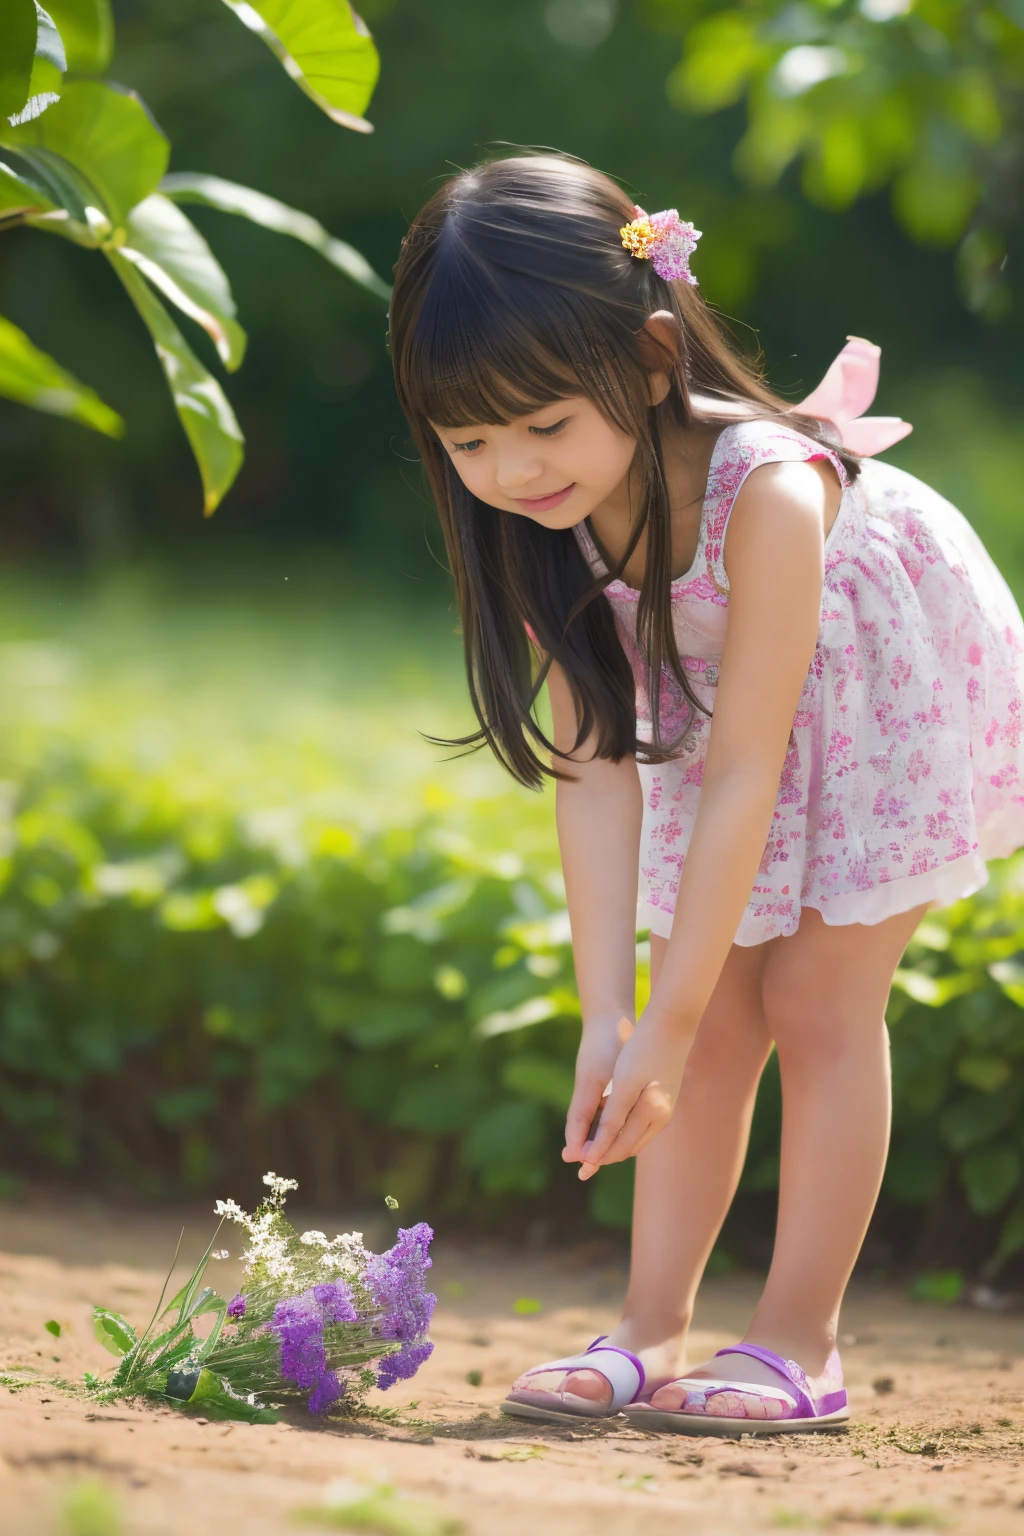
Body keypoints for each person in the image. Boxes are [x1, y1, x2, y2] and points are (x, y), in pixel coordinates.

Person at [388, 153, 1024, 1433]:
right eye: (469, 440)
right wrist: (612, 1016)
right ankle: (650, 1326)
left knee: (813, 995)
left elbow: (745, 767)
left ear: (654, 356)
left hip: (868, 686)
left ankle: (800, 1341)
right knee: (710, 1009)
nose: (511, 470)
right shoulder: (539, 521)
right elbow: (593, 770)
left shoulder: (772, 497)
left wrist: (663, 1026)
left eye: (542, 424)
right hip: (723, 709)